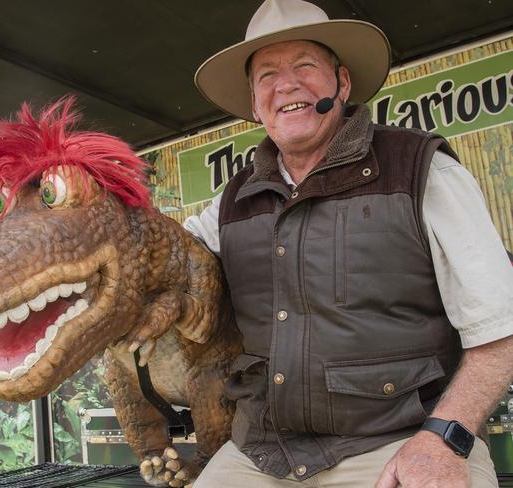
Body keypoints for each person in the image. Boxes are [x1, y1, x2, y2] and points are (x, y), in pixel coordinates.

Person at [184, 0, 513, 486]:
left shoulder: (421, 170)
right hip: (262, 455)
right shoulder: (232, 199)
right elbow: (161, 259)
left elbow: (501, 326)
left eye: (304, 66)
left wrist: (444, 436)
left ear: (341, 82)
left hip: (400, 442)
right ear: (255, 104)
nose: (287, 85)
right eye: (268, 75)